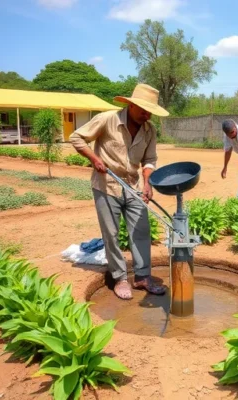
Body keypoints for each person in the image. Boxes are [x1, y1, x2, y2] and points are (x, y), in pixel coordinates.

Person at [70, 84, 169, 300]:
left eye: (149, 111)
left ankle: (142, 277)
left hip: (133, 186)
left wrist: (147, 183)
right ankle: (120, 278)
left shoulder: (149, 130)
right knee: (111, 234)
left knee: (141, 231)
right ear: (131, 105)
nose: (146, 114)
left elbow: (150, 160)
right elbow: (77, 138)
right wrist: (95, 159)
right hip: (107, 186)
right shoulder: (107, 120)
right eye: (143, 109)